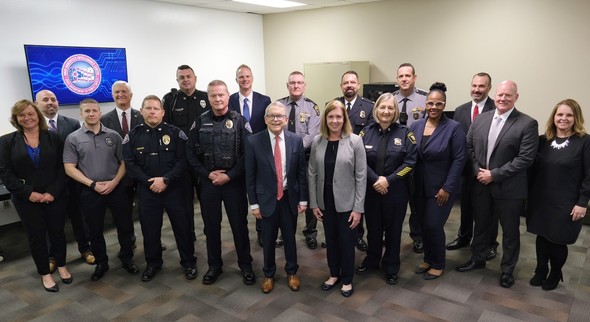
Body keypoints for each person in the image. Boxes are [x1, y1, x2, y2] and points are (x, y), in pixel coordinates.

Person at [456, 80, 538, 289]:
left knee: (510, 232)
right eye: (500, 95)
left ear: (516, 97)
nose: (503, 99)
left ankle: (507, 270)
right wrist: (478, 172)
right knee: (481, 225)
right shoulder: (481, 119)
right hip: (481, 185)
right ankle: (477, 259)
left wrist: (494, 175)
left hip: (509, 189)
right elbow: (468, 147)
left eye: (508, 96)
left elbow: (525, 158)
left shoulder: (527, 123)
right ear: (495, 95)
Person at [186, 80, 255, 286]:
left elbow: (248, 153)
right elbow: (190, 152)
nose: (217, 99)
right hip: (209, 183)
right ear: (208, 98)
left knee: (239, 226)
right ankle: (214, 265)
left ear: (228, 96)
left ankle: (246, 265)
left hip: (233, 183)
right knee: (211, 227)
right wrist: (207, 175)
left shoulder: (240, 121)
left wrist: (230, 175)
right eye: (213, 95)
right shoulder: (199, 121)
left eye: (221, 95)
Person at [123, 95, 197, 282]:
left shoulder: (175, 133)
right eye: (148, 108)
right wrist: (150, 181)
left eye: (156, 108)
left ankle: (188, 262)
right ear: (141, 111)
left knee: (183, 228)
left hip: (174, 189)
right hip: (148, 192)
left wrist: (165, 179)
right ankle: (153, 263)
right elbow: (130, 164)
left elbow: (183, 161)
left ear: (163, 112)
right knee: (150, 230)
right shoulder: (133, 136)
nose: (152, 112)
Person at [0, 100, 72, 292]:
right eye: (21, 115)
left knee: (58, 232)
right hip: (26, 200)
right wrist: (28, 193)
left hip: (54, 196)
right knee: (36, 236)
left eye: (30, 113)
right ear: (16, 119)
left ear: (37, 115)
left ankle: (62, 266)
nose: (26, 118)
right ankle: (45, 274)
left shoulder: (54, 138)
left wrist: (52, 192)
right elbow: (5, 173)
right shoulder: (6, 142)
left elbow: (62, 169)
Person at [63, 99, 138, 281]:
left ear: (99, 113)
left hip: (116, 188)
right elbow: (69, 168)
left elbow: (124, 162)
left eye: (94, 110)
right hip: (90, 191)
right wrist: (92, 184)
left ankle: (127, 258)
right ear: (81, 114)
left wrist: (114, 182)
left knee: (125, 226)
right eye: (87, 111)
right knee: (94, 230)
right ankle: (101, 263)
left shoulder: (113, 135)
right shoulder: (73, 138)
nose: (91, 114)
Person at [527, 99, 590, 291]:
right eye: (560, 114)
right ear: (553, 117)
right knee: (542, 236)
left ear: (576, 118)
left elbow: (589, 175)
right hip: (541, 199)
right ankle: (540, 270)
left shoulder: (585, 141)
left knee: (557, 240)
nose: (563, 118)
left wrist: (582, 202)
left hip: (567, 202)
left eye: (569, 115)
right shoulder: (542, 140)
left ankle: (555, 273)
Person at [245, 102, 307, 294]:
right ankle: (269, 274)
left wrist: (303, 199)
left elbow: (301, 173)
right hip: (266, 200)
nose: (276, 119)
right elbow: (251, 175)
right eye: (271, 116)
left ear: (286, 119)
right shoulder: (254, 141)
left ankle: (292, 272)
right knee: (269, 240)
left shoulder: (296, 140)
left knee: (290, 238)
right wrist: (253, 203)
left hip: (289, 197)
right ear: (265, 119)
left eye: (280, 116)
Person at [355, 92, 417, 285]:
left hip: (395, 191)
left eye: (390, 108)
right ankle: (372, 259)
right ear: (376, 109)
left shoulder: (406, 133)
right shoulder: (365, 132)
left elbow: (410, 162)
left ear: (395, 111)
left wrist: (388, 180)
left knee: (393, 230)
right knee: (373, 228)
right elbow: (360, 160)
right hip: (371, 190)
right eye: (382, 107)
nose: (386, 111)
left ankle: (391, 265)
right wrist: (376, 180)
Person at [308, 100, 367, 297]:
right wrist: (314, 203)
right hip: (325, 202)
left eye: (338, 117)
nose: (334, 121)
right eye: (330, 117)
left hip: (348, 203)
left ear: (344, 119)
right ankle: (334, 274)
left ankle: (347, 279)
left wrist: (358, 208)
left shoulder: (355, 141)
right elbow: (312, 173)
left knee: (346, 242)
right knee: (331, 240)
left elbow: (361, 176)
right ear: (325, 119)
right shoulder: (318, 141)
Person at [409, 83, 466, 280]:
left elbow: (459, 159)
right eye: (430, 103)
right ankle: (428, 258)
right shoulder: (416, 125)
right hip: (418, 187)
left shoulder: (454, 128)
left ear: (444, 105)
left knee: (433, 225)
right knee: (423, 226)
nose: (434, 107)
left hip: (441, 188)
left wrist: (447, 187)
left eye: (438, 104)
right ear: (425, 104)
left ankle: (438, 263)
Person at [35, 90, 95, 268]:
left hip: (73, 183)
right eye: (45, 100)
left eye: (53, 99)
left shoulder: (72, 123)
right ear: (36, 103)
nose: (50, 102)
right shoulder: (33, 126)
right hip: (50, 186)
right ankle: (53, 257)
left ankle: (86, 249)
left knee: (80, 219)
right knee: (52, 224)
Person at [446, 73, 499, 261]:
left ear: (489, 88)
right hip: (465, 169)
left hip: (486, 170)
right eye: (474, 85)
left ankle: (490, 243)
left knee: (488, 211)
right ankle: (464, 237)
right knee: (466, 206)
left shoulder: (497, 108)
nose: (477, 89)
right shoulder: (460, 110)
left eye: (482, 86)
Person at [162, 65, 211, 243]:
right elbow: (166, 129)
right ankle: (188, 234)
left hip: (204, 159)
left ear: (195, 78)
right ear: (177, 81)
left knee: (206, 200)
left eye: (188, 76)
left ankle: (210, 231)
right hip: (183, 160)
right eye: (181, 77)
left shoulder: (206, 98)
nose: (185, 80)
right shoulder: (170, 100)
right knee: (185, 202)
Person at [229, 64, 272, 247]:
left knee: (260, 194)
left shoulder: (265, 100)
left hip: (260, 154)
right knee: (239, 197)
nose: (244, 79)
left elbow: (269, 125)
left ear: (252, 78)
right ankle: (241, 233)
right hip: (237, 155)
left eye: (247, 76)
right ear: (236, 79)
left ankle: (262, 232)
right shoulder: (229, 100)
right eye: (241, 77)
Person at [277, 71, 321, 250]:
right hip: (282, 159)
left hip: (306, 158)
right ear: (287, 85)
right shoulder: (279, 105)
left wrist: (294, 150)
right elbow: (276, 128)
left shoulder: (312, 107)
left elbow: (312, 133)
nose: (296, 85)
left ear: (305, 85)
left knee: (310, 196)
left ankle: (310, 233)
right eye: (292, 83)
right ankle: (283, 232)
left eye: (299, 82)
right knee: (284, 195)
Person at [101, 81, 145, 250]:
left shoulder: (141, 116)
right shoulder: (105, 120)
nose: (121, 95)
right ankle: (128, 242)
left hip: (142, 172)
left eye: (124, 91)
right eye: (117, 92)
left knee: (148, 209)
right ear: (113, 95)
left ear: (131, 95)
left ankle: (152, 237)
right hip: (120, 174)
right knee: (123, 214)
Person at [334, 70, 373, 252]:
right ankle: (335, 233)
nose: (349, 85)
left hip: (359, 158)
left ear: (358, 85)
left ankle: (358, 235)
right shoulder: (333, 105)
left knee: (359, 198)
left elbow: (370, 134)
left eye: (352, 82)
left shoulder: (369, 106)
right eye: (345, 83)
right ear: (341, 86)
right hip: (336, 160)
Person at [394, 63, 427, 254]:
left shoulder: (424, 98)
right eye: (401, 76)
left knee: (417, 202)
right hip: (394, 159)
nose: (404, 79)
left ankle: (418, 236)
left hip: (417, 159)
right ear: (397, 79)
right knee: (393, 202)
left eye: (408, 75)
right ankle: (388, 235)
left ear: (415, 77)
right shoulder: (389, 99)